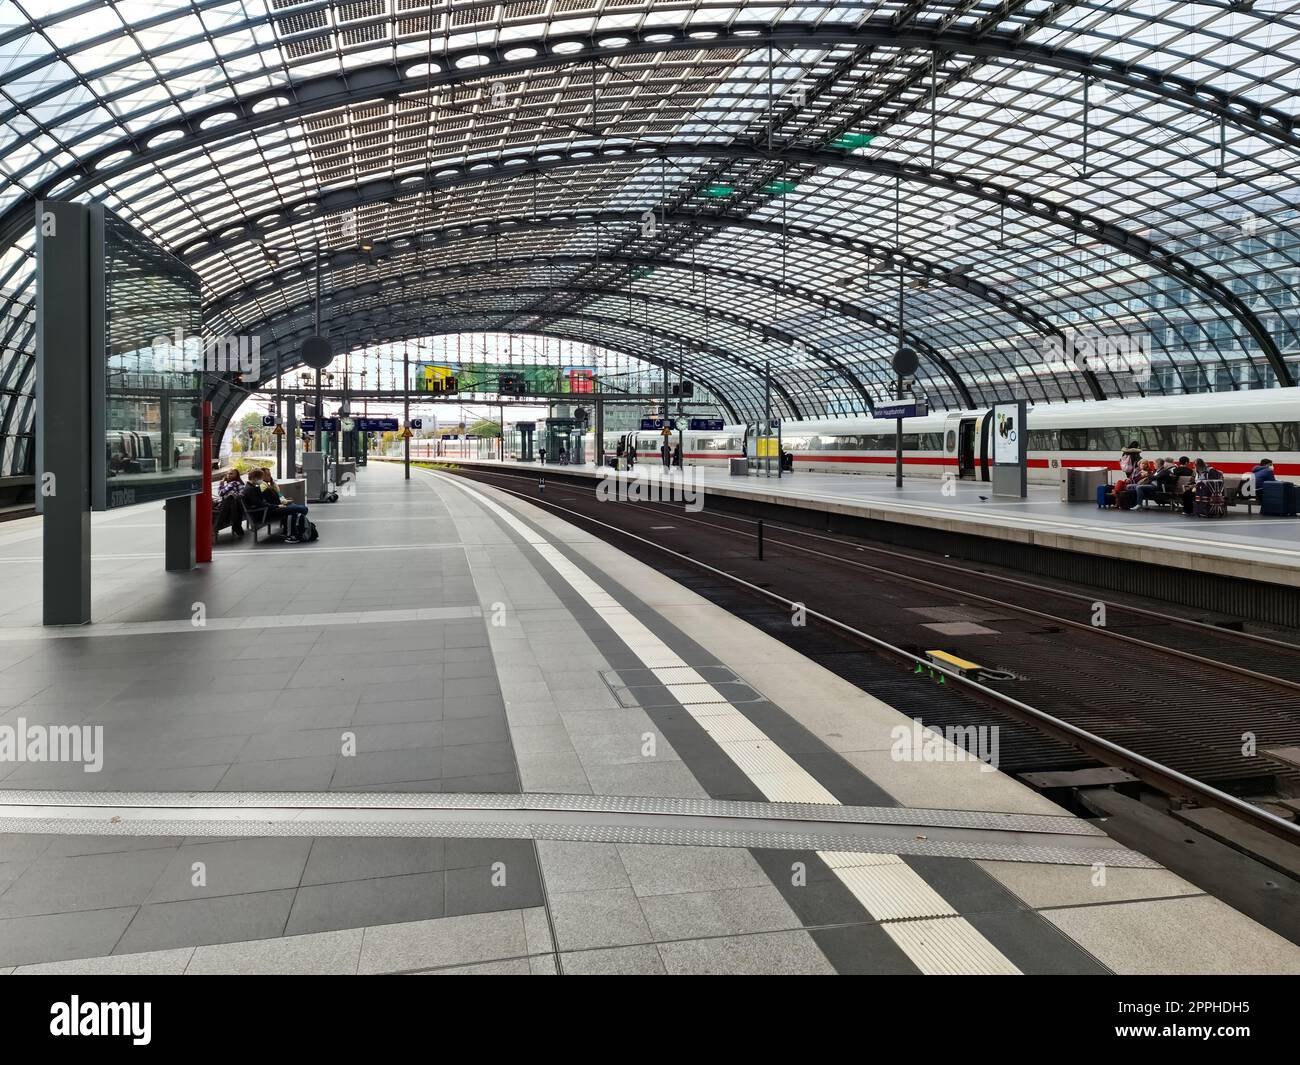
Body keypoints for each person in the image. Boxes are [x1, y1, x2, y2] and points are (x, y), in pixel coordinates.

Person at [214, 468, 245, 537]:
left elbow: (221, 493)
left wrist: (221, 484)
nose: (228, 475)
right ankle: (237, 527)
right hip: (235, 507)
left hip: (234, 504)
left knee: (230, 498)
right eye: (228, 474)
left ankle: (217, 526)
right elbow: (242, 494)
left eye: (231, 474)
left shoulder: (233, 483)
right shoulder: (239, 483)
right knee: (230, 500)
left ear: (236, 476)